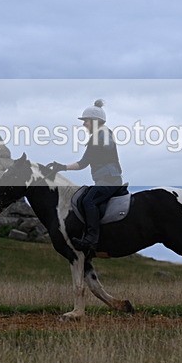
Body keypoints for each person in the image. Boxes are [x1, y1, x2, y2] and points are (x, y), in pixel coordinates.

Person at [46, 99, 123, 252]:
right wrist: (61, 167)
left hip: (110, 180)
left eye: (86, 121)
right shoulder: (96, 137)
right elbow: (82, 163)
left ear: (95, 121)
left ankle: (91, 239)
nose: (83, 124)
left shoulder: (104, 134)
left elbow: (106, 145)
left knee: (89, 201)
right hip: (104, 180)